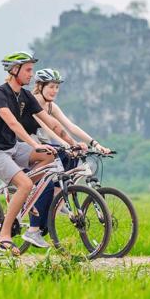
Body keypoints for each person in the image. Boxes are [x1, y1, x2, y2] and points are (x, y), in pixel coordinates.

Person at [0, 51, 85, 255]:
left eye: (31, 70)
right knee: (25, 183)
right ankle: (4, 235)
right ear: (14, 70)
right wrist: (34, 145)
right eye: (27, 70)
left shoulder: (25, 95)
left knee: (52, 155)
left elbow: (50, 121)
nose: (31, 74)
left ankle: (26, 195)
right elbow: (12, 123)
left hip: (13, 147)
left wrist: (72, 143)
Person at [27, 68, 111, 233]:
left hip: (45, 145)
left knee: (72, 158)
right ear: (41, 86)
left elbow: (70, 126)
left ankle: (59, 198)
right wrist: (66, 145)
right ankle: (50, 205)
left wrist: (96, 144)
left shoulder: (51, 106)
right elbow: (49, 129)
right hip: (28, 145)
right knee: (64, 152)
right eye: (51, 86)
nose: (55, 91)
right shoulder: (34, 102)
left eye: (57, 87)